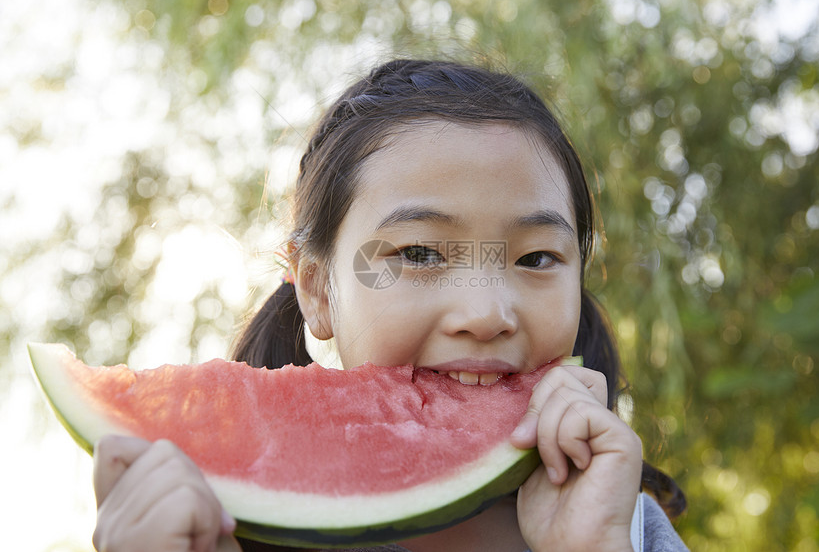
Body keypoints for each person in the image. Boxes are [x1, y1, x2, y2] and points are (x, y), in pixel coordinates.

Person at [91, 59, 688, 552]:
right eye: (421, 253)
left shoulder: (626, 529)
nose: (486, 313)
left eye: (534, 259)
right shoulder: (217, 531)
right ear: (318, 290)